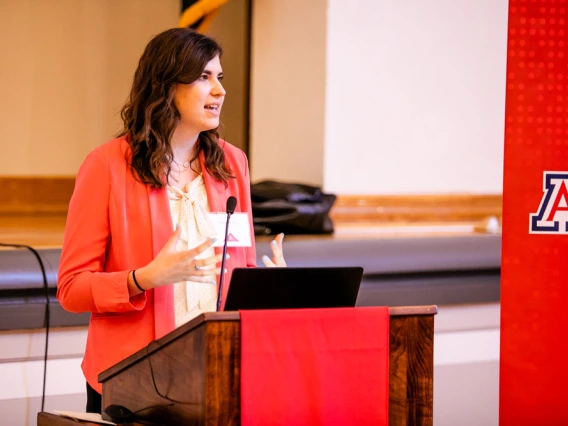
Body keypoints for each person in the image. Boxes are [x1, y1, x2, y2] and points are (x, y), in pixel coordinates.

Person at [56, 28, 286, 414]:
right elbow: (72, 289)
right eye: (203, 77)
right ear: (165, 86)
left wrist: (272, 288)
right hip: (134, 379)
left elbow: (237, 271)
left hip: (217, 370)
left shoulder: (232, 164)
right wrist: (142, 278)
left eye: (220, 77)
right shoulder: (107, 166)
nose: (220, 90)